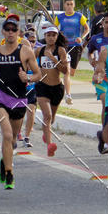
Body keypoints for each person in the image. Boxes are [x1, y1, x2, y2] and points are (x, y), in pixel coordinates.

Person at [0, 15, 41, 189]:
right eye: (7, 29)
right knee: (7, 135)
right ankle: (9, 173)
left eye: (13, 29)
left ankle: (5, 161)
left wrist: (28, 78)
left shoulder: (26, 51)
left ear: (19, 33)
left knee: (13, 140)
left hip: (19, 98)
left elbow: (38, 74)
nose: (10, 32)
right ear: (3, 31)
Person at [35, 25, 69, 157]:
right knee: (47, 116)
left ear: (57, 36)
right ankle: (50, 145)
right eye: (48, 35)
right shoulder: (39, 50)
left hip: (57, 88)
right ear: (44, 36)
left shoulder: (60, 50)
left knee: (51, 118)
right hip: (42, 86)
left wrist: (53, 58)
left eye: (53, 35)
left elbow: (65, 70)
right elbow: (29, 61)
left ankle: (46, 132)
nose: (50, 38)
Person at [54, 0, 89, 105]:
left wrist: (81, 38)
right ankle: (68, 95)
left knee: (71, 72)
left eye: (71, 4)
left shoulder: (79, 16)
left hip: (76, 46)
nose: (69, 6)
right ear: (64, 5)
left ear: (74, 5)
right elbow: (54, 30)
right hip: (64, 47)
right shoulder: (59, 17)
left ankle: (63, 81)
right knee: (67, 71)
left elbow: (87, 29)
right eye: (67, 4)